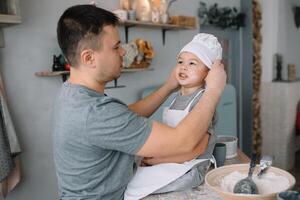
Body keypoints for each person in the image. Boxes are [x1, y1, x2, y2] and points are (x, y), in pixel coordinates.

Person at [53, 4, 226, 200]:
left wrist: (169, 86)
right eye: (116, 47)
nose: (123, 52)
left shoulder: (74, 96)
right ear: (89, 57)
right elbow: (183, 143)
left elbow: (124, 117)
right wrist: (214, 90)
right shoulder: (95, 112)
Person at [134, 33, 223, 195]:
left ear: (208, 73)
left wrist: (159, 160)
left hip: (191, 166)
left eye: (192, 63)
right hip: (173, 158)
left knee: (141, 188)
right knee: (134, 180)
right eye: (180, 62)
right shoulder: (176, 97)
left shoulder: (202, 100)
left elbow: (198, 148)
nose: (183, 67)